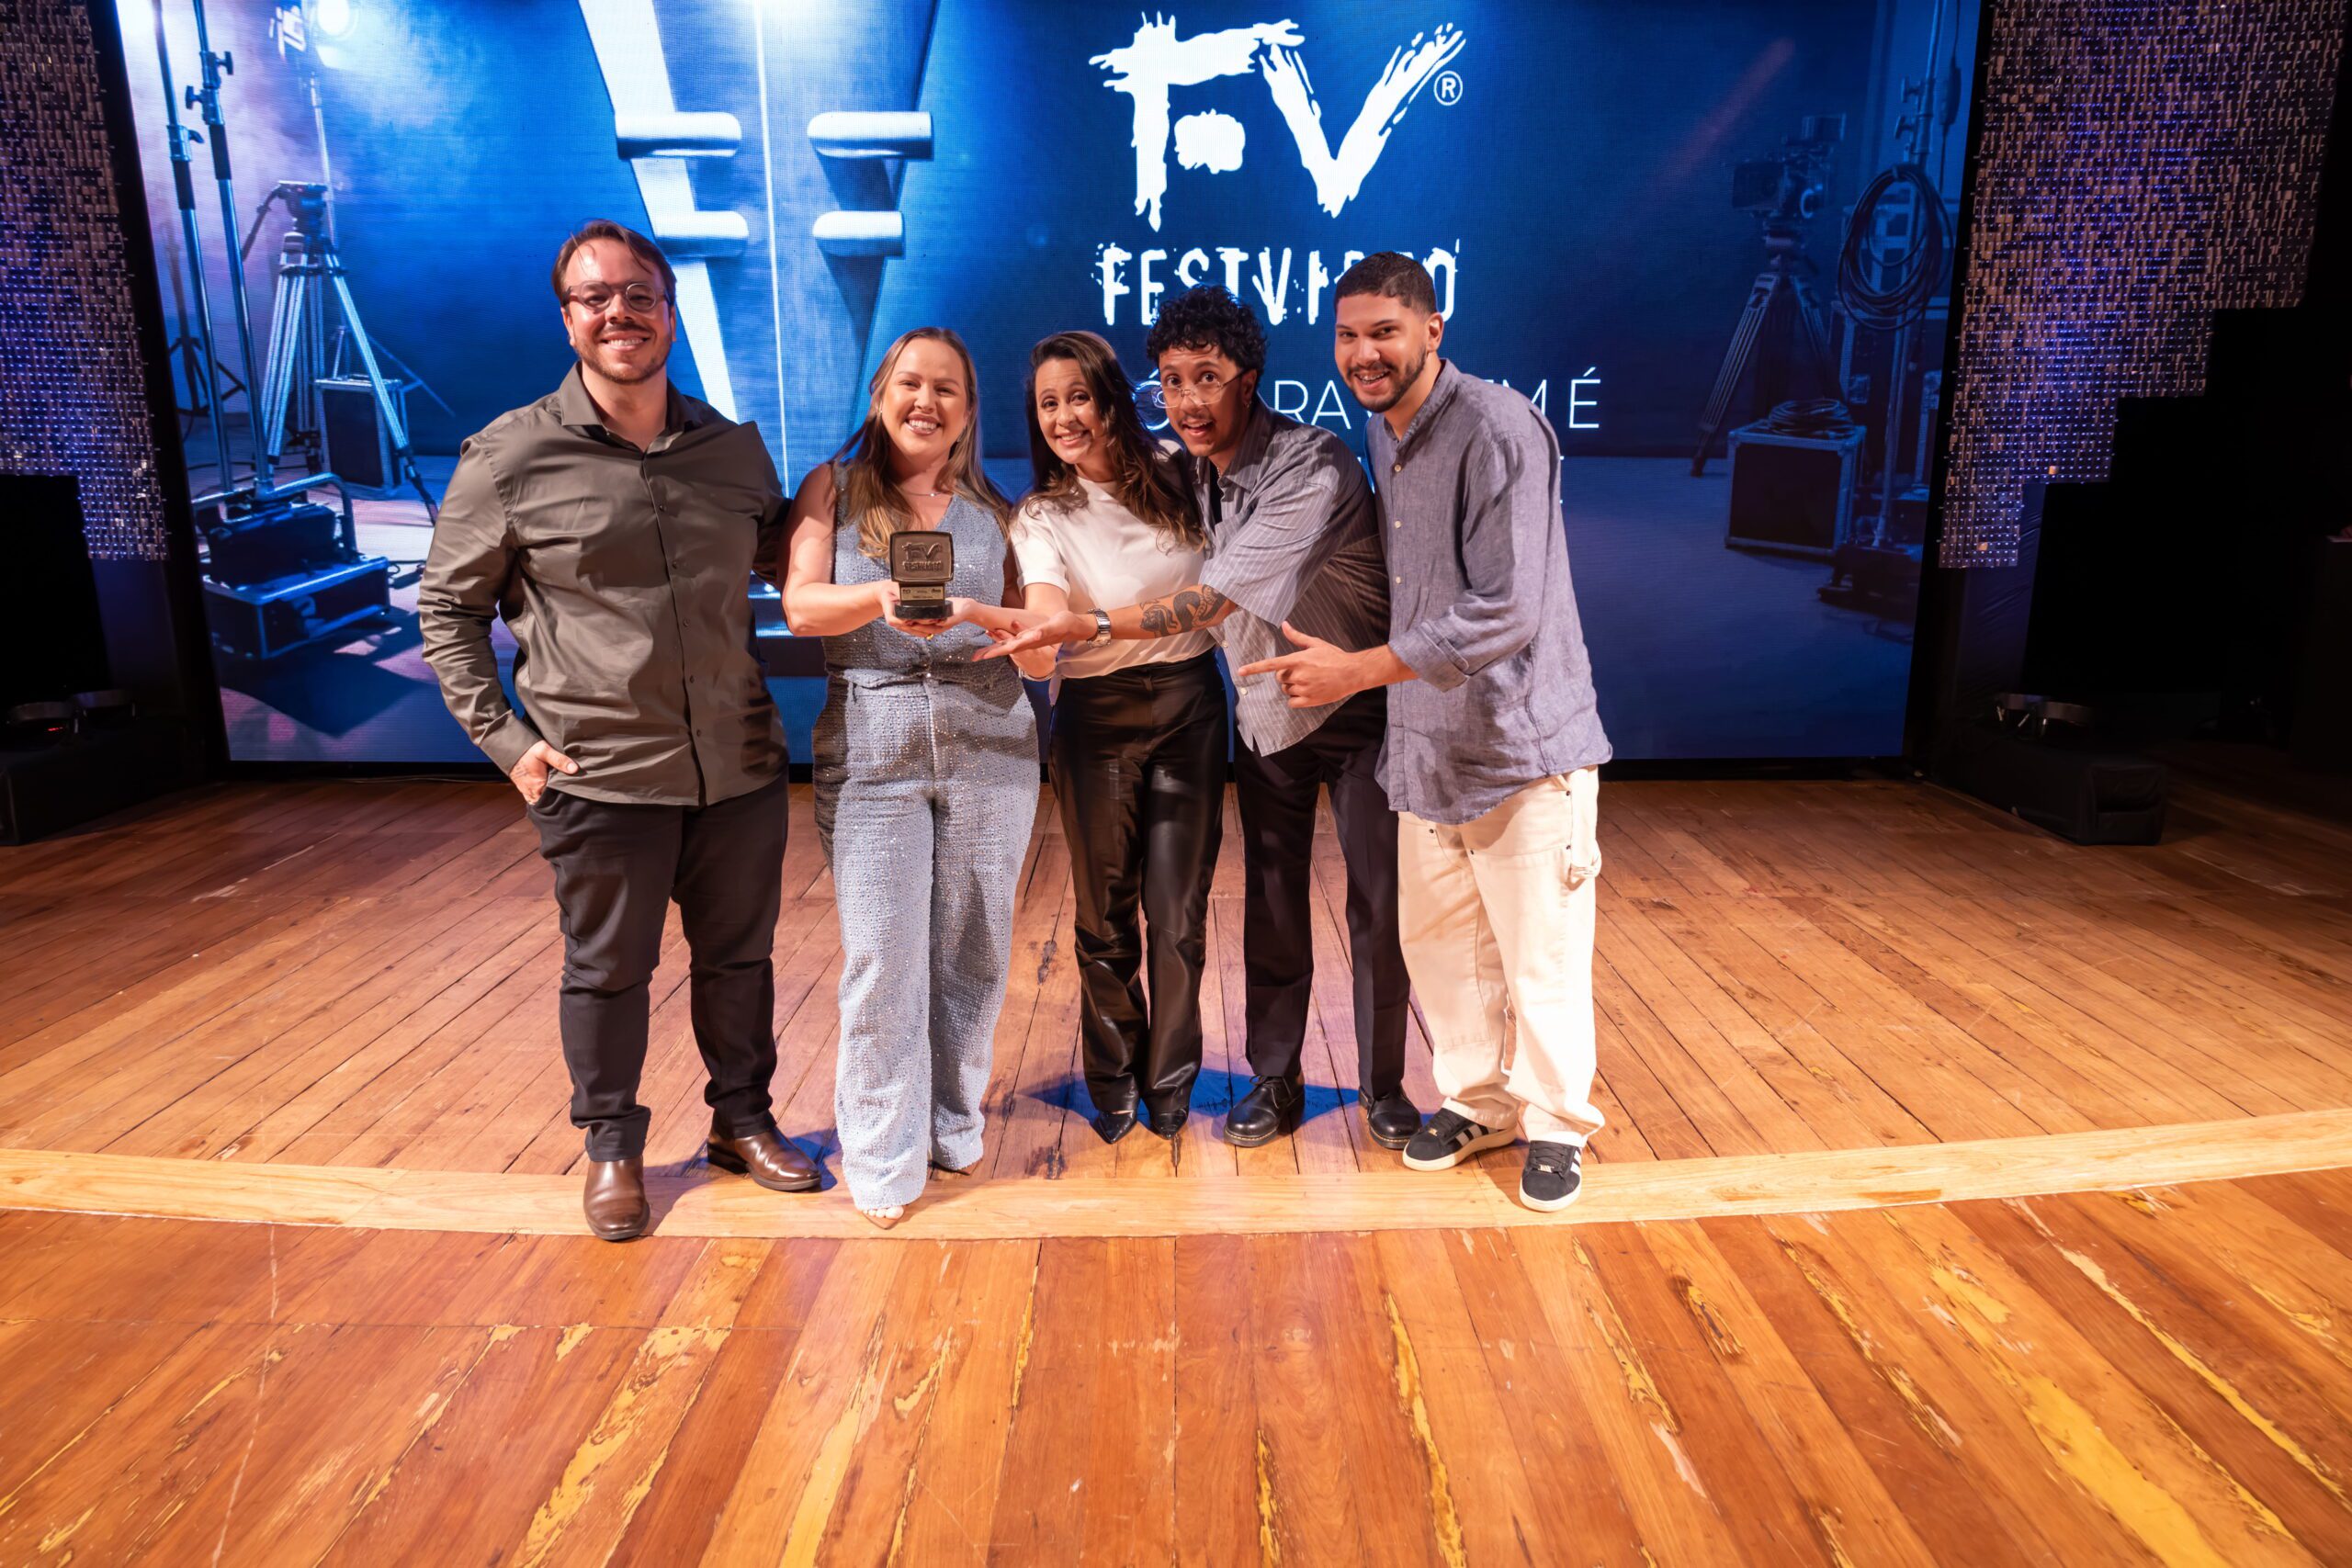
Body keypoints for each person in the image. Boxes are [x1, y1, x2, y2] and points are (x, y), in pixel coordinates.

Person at [420, 220, 818, 1243]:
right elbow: (448, 611)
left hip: (737, 763)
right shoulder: (508, 456)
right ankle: (611, 1146)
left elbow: (791, 561)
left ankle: (742, 1122)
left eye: (638, 294)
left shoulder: (730, 449)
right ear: (568, 320)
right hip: (598, 774)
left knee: (740, 962)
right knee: (606, 972)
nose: (619, 313)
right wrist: (508, 743)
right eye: (594, 297)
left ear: (668, 313)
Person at [982, 288, 1420, 1154]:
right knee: (1270, 897)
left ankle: (1384, 1086)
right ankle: (1273, 1077)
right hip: (1265, 711)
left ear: (1248, 381)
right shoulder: (1185, 473)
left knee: (1376, 902)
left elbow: (1211, 599)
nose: (1187, 399)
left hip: (1356, 705)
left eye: (1207, 378)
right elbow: (1084, 521)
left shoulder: (1310, 464)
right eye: (1173, 381)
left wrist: (1085, 627)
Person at [1238, 252, 1611, 1212]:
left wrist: (1356, 670)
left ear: (1432, 331)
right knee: (1445, 953)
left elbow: (1506, 609)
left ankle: (1556, 1125)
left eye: (1384, 333)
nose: (1363, 353)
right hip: (1426, 746)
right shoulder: (1382, 429)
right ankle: (1478, 1101)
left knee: (1539, 957)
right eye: (1347, 335)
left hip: (1522, 749)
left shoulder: (1496, 427)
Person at [780, 326, 1038, 1227]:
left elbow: (1032, 632)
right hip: (873, 743)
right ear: (880, 396)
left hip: (991, 742)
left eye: (946, 389)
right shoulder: (832, 488)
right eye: (909, 384)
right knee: (884, 958)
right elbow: (800, 605)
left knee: (974, 952)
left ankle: (951, 1124)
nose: (926, 401)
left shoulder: (998, 510)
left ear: (968, 411)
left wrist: (993, 620)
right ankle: (882, 1158)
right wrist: (878, 597)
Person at [1007, 331, 1223, 1145]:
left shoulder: (1181, 471)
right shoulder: (1041, 514)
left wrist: (1082, 622)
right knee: (1105, 916)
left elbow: (1222, 589)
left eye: (1078, 397)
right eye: (1048, 403)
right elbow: (1043, 603)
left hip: (1190, 704)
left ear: (1109, 397)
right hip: (1095, 719)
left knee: (1178, 911)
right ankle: (1113, 1076)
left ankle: (1170, 1079)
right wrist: (1036, 635)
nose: (1064, 416)